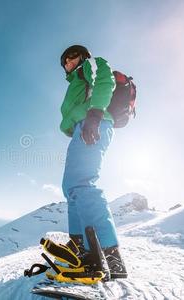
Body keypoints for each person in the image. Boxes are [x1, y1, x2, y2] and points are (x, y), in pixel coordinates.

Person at [59, 45, 127, 279]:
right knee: (71, 187)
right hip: (84, 127)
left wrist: (94, 116)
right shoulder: (76, 80)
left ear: (82, 56)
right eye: (64, 62)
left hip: (93, 123)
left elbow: (104, 82)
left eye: (71, 57)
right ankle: (80, 248)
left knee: (82, 184)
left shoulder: (92, 64)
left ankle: (108, 257)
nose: (68, 62)